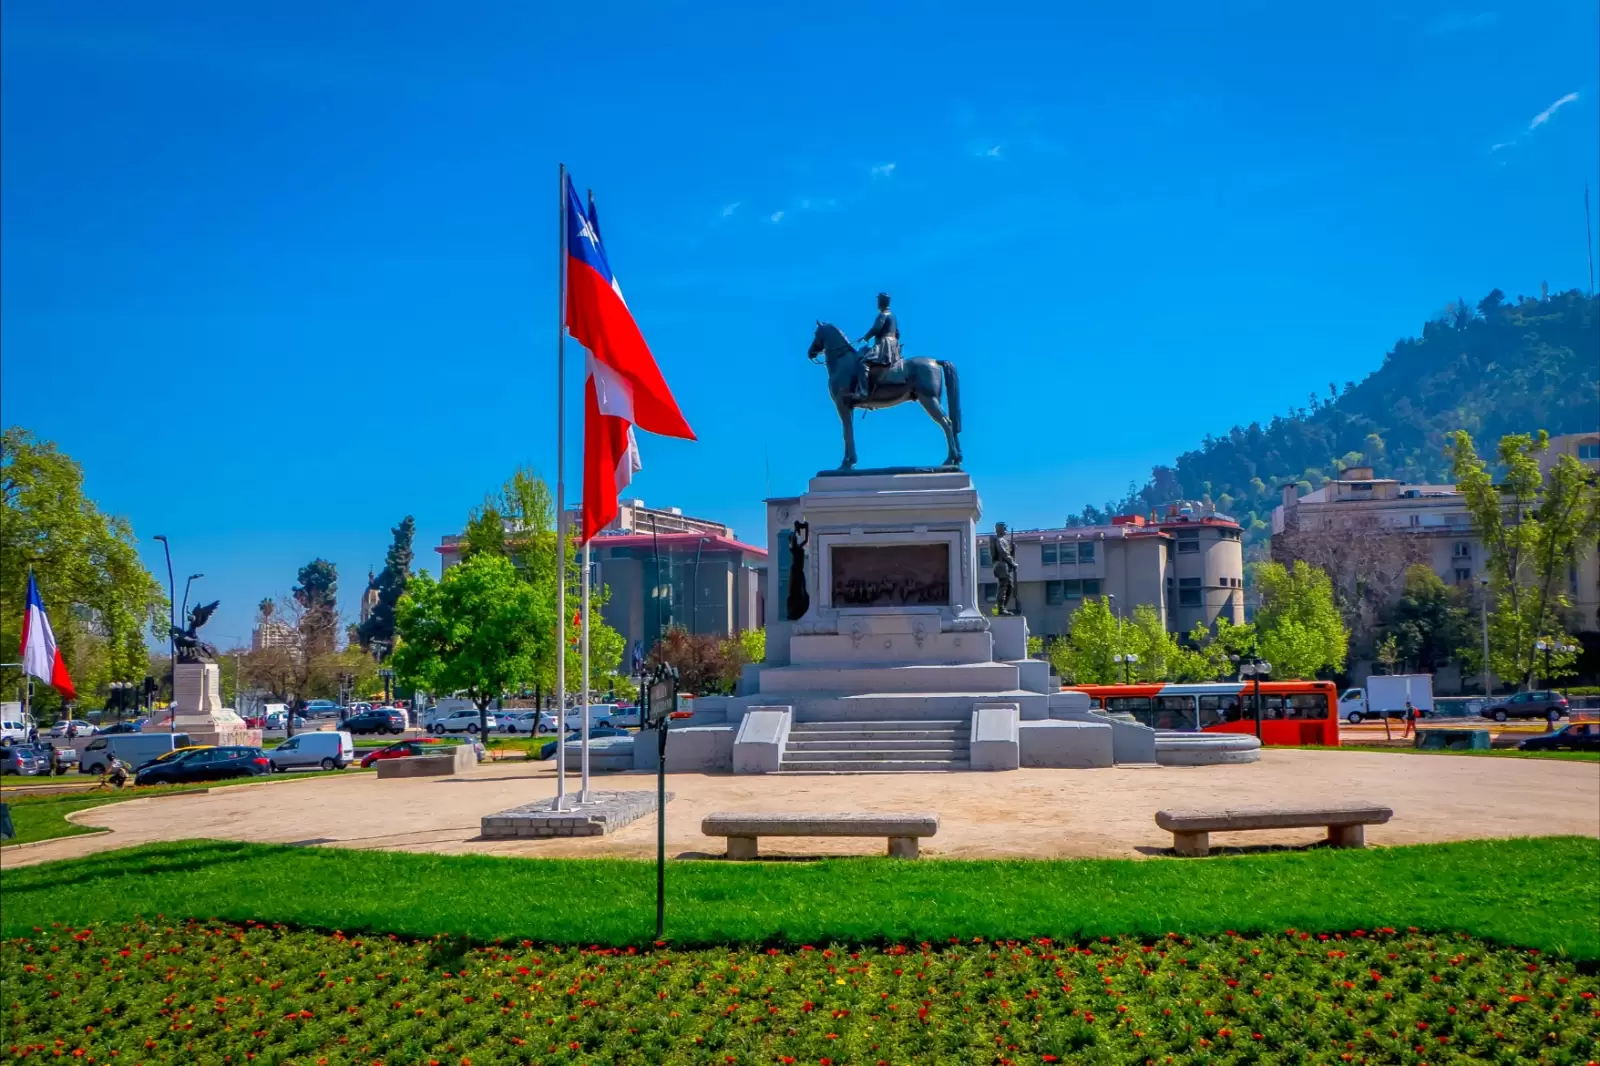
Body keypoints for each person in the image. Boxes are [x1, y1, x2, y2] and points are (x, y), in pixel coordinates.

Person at [852, 292, 901, 401]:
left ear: (881, 302)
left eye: (878, 301)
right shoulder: (893, 316)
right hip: (893, 345)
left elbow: (876, 329)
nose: (877, 303)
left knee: (863, 363)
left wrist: (866, 337)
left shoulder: (883, 314)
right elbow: (897, 333)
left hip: (884, 344)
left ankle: (863, 392)